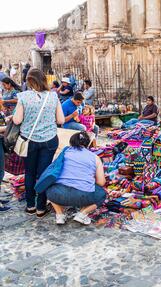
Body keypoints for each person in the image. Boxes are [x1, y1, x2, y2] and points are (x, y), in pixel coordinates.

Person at [13, 68, 65, 217]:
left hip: (29, 140)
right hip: (49, 140)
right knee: (43, 173)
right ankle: (41, 207)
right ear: (44, 80)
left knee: (29, 173)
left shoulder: (23, 97)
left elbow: (17, 120)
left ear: (29, 81)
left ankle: (30, 205)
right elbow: (61, 120)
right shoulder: (53, 97)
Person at [46, 132, 106, 226]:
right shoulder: (95, 158)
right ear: (87, 144)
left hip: (57, 194)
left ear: (71, 143)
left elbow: (51, 174)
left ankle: (60, 215)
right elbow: (101, 182)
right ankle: (82, 214)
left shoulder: (63, 154)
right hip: (83, 196)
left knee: (48, 186)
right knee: (102, 194)